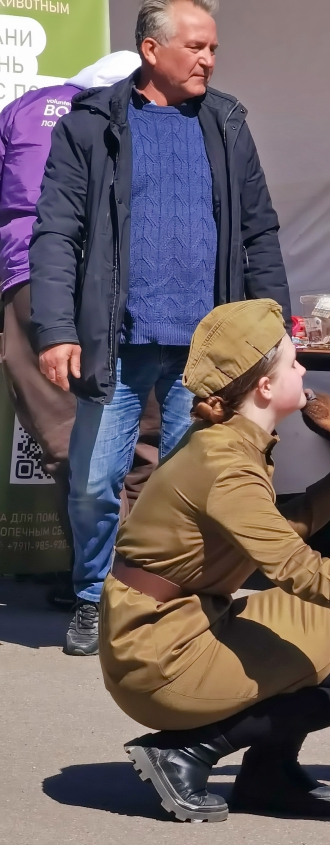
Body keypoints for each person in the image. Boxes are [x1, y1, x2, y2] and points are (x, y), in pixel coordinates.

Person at [99, 299, 330, 823]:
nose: (304, 371)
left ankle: (267, 774)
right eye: (295, 363)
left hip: (183, 622)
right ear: (265, 388)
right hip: (157, 655)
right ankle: (185, 752)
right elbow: (296, 568)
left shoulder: (231, 444)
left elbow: (277, 530)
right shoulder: (227, 463)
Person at [30, 0, 290, 657]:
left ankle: (164, 603)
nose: (208, 59)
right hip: (115, 339)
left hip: (207, 348)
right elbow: (56, 233)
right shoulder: (92, 127)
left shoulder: (226, 124)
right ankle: (92, 598)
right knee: (95, 480)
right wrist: (56, 329)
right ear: (152, 50)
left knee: (185, 483)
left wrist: (274, 326)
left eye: (212, 49)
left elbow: (258, 228)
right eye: (196, 47)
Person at [0, 51, 140, 605]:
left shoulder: (22, 111)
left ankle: (100, 583)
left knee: (64, 437)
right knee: (143, 440)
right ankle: (129, 587)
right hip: (116, 280)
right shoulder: (143, 112)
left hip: (29, 277)